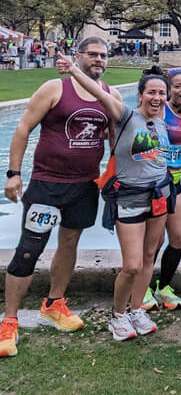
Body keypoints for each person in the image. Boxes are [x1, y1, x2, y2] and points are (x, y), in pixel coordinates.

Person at [0, 38, 121, 358]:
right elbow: (23, 128)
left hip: (84, 186)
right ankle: (9, 320)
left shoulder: (111, 95)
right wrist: (13, 173)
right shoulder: (55, 88)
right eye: (92, 54)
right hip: (47, 184)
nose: (98, 60)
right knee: (29, 249)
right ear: (78, 57)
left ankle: (54, 304)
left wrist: (117, 178)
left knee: (70, 243)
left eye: (103, 55)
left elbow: (115, 138)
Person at [54, 54, 173, 341]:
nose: (156, 98)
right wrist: (73, 70)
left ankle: (135, 310)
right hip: (130, 198)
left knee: (147, 258)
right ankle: (118, 316)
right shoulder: (126, 116)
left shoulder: (162, 123)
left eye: (161, 93)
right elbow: (98, 92)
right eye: (151, 93)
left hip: (159, 196)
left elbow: (159, 157)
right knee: (131, 264)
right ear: (141, 95)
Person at [142, 67, 181, 310]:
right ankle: (141, 289)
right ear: (168, 90)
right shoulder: (160, 111)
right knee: (154, 239)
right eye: (177, 86)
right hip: (153, 183)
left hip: (175, 181)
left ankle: (163, 286)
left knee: (178, 236)